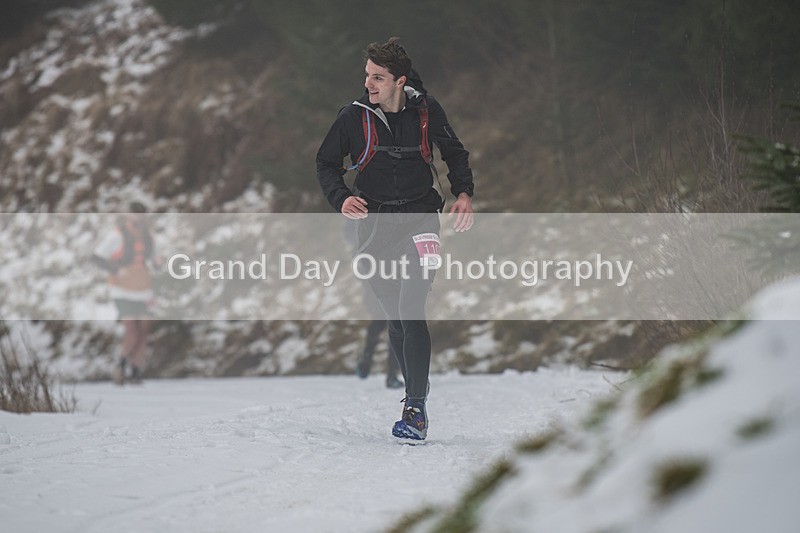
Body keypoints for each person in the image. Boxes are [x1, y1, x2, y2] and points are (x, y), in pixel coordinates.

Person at [317, 38, 475, 440]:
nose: (368, 84)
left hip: (421, 219)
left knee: (411, 309)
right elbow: (325, 164)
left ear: (399, 81)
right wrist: (342, 198)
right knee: (395, 319)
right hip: (374, 229)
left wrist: (463, 194)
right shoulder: (352, 118)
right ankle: (415, 392)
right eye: (367, 76)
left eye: (378, 78)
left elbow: (454, 153)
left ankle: (416, 409)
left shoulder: (426, 110)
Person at [91, 201, 156, 385]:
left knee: (144, 329)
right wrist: (116, 270)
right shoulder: (117, 235)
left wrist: (159, 262)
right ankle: (120, 365)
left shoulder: (148, 236)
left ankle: (136, 369)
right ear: (128, 215)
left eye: (141, 214)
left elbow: (152, 258)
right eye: (135, 214)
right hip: (122, 288)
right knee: (132, 330)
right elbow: (96, 257)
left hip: (143, 288)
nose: (139, 217)